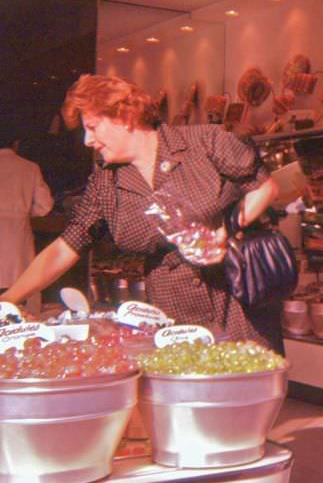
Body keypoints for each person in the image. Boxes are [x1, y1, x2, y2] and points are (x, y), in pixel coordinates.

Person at [0, 75, 283, 351]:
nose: (87, 140)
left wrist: (225, 231)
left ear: (125, 117)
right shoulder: (106, 182)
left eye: (93, 127)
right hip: (174, 315)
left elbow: (264, 187)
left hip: (236, 299)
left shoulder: (205, 142)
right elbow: (66, 247)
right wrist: (10, 300)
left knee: (246, 388)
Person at [0, 128, 54, 315]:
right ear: (16, 143)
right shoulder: (29, 167)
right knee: (21, 287)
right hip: (17, 237)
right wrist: (23, 211)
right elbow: (45, 206)